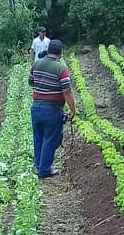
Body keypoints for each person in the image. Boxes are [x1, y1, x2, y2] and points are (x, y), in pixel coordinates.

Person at [29, 39, 76, 179]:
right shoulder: (61, 69)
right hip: (52, 109)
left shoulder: (37, 64)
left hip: (36, 107)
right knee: (50, 138)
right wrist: (73, 109)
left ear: (48, 50)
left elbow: (31, 81)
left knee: (38, 138)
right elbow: (67, 91)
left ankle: (39, 166)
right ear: (60, 53)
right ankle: (45, 170)